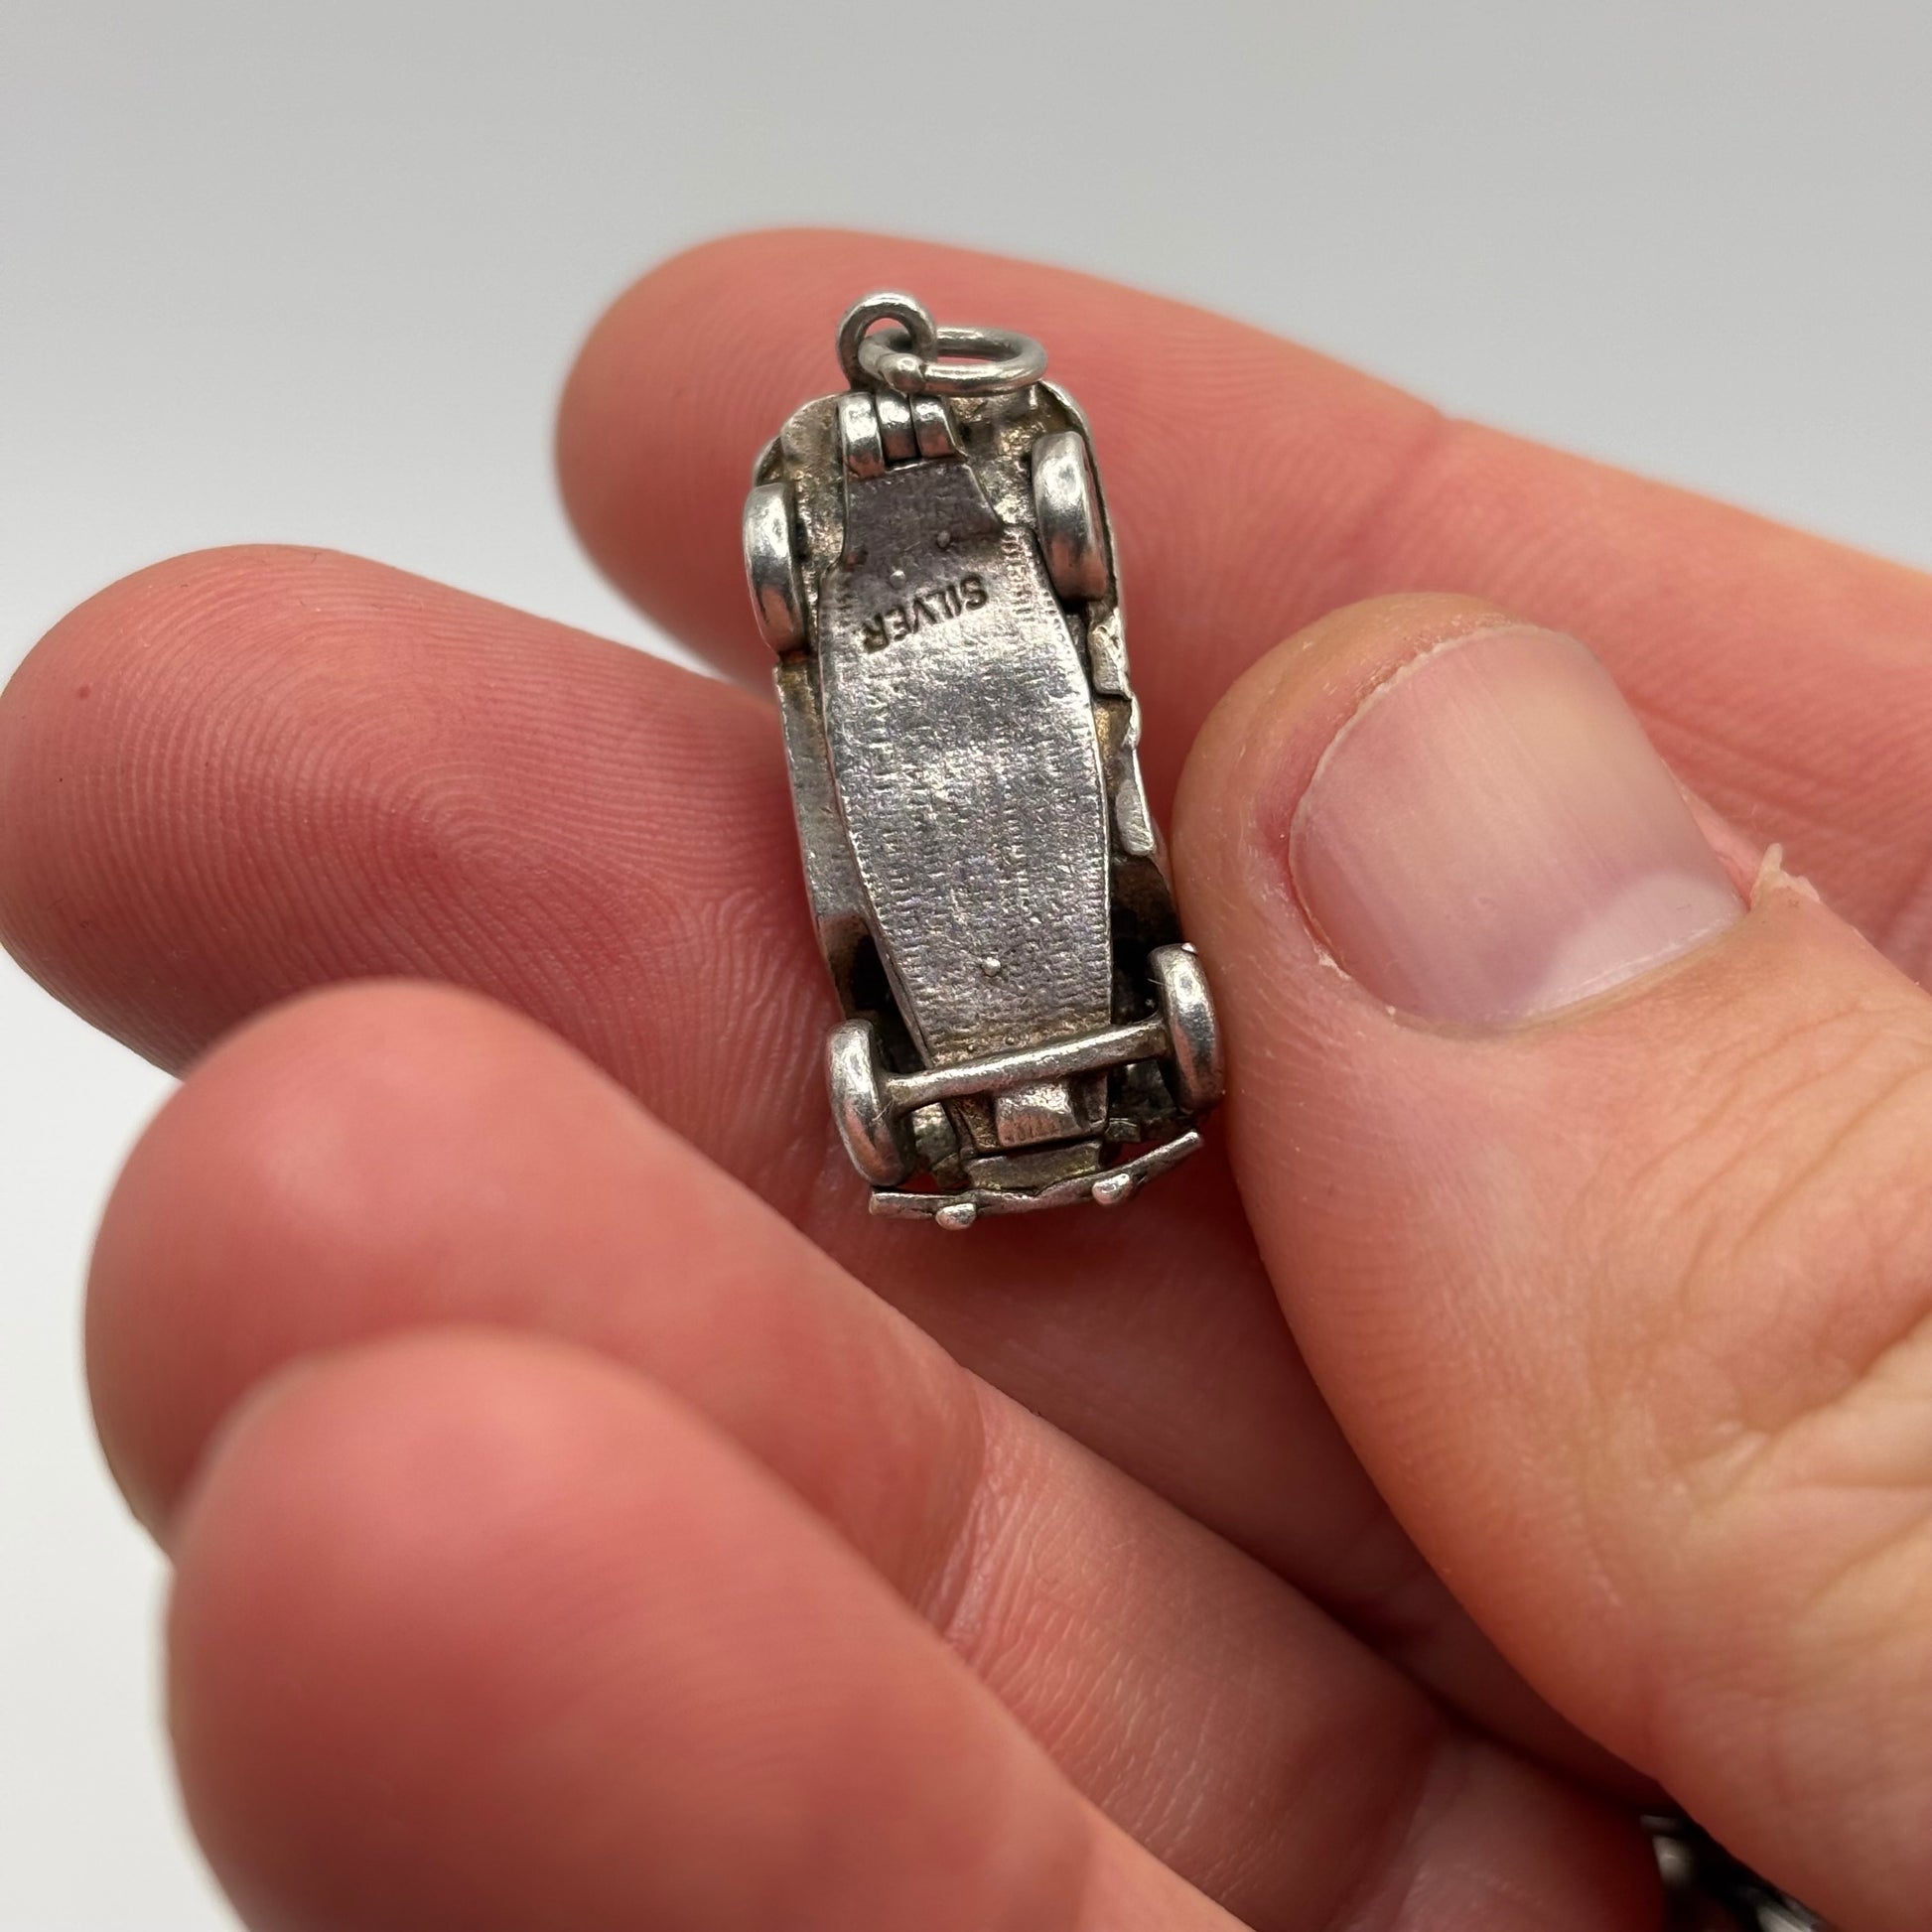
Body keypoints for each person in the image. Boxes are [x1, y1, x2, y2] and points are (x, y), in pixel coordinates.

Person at [1, 228, 1919, 1932]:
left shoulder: (997, 526)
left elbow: (1081, 682)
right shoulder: (843, 538)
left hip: (1050, 934)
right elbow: (846, 760)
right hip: (955, 946)